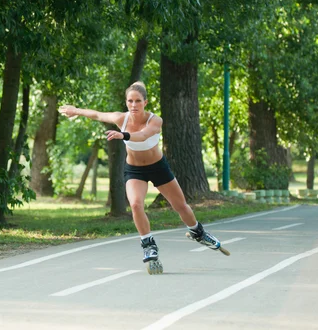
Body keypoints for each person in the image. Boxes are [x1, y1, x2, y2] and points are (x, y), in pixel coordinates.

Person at [58, 81, 224, 274]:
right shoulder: (121, 118)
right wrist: (75, 110)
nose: (134, 105)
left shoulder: (155, 121)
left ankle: (197, 232)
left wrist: (124, 136)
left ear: (145, 102)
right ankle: (148, 244)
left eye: (138, 101)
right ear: (126, 102)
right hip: (135, 170)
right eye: (130, 101)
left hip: (158, 168)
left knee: (180, 205)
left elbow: (144, 135)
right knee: (136, 204)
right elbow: (97, 114)